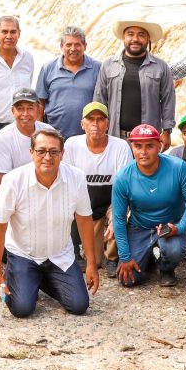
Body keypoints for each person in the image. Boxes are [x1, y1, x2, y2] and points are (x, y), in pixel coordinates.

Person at [0, 129, 99, 317]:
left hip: (59, 255)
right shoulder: (13, 180)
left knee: (79, 305)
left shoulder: (76, 178)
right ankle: (22, 276)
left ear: (62, 154)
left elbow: (84, 219)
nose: (47, 157)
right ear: (31, 153)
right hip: (24, 254)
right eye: (41, 151)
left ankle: (34, 280)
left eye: (54, 151)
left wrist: (91, 263)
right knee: (22, 309)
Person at [112, 124, 186, 288]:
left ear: (159, 146)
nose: (143, 152)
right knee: (128, 280)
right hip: (139, 226)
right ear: (131, 146)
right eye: (138, 146)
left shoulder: (178, 167)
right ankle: (148, 259)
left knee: (174, 250)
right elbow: (118, 218)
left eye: (149, 146)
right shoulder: (123, 178)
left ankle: (166, 268)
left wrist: (179, 228)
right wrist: (124, 257)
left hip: (170, 226)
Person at [63, 102, 131, 273]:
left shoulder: (120, 147)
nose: (95, 124)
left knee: (125, 212)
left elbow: (123, 189)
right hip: (83, 205)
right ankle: (74, 251)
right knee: (64, 206)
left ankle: (113, 257)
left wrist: (116, 217)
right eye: (90, 119)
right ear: (82, 124)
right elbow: (66, 186)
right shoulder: (71, 145)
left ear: (107, 124)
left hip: (109, 202)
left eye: (100, 119)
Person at [94, 20, 175, 148]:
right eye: (130, 34)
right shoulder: (108, 65)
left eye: (141, 35)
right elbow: (99, 100)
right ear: (123, 37)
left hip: (147, 139)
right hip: (115, 138)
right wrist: (98, 130)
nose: (135, 39)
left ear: (148, 38)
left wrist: (167, 131)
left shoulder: (161, 67)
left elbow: (168, 100)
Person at [35, 26, 99, 139]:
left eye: (77, 44)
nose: (73, 49)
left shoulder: (98, 68)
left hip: (87, 137)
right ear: (61, 47)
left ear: (85, 46)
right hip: (54, 135)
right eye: (68, 45)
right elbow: (40, 104)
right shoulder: (48, 68)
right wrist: (41, 133)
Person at [0, 16, 35, 144]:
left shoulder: (28, 58)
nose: (9, 36)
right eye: (4, 31)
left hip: (22, 127)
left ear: (19, 34)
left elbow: (28, 91)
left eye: (13, 32)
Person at [0, 87, 55, 186]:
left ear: (39, 110)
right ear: (13, 111)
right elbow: (3, 181)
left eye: (30, 108)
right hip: (16, 193)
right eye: (20, 109)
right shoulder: (3, 137)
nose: (25, 114)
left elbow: (57, 167)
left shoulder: (49, 132)